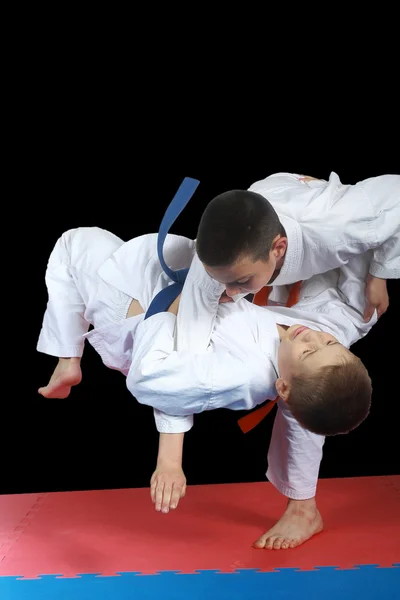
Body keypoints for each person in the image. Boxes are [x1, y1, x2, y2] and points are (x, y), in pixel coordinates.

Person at [37, 226, 376, 551]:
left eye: (311, 348)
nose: (313, 336)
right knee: (323, 385)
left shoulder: (239, 373)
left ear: (281, 387)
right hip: (161, 289)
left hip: (136, 313)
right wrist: (378, 275)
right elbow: (339, 315)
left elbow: (158, 380)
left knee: (74, 244)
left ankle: (68, 355)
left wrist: (169, 459)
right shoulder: (319, 338)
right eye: (328, 341)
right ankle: (304, 506)